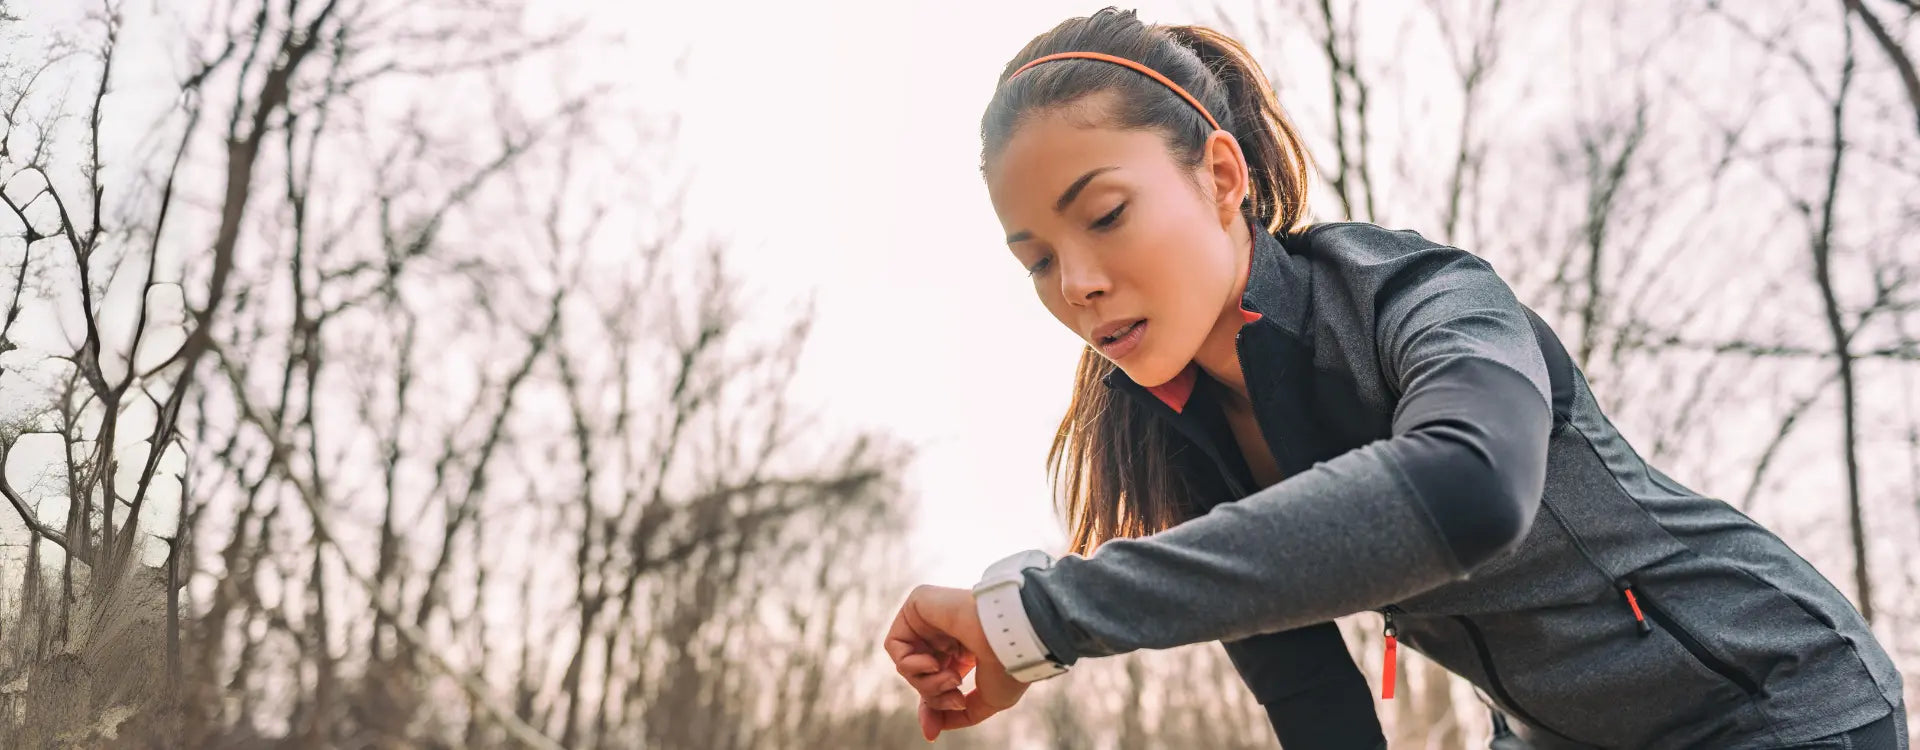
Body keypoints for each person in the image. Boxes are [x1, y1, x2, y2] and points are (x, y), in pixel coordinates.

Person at [881, 8, 1906, 750]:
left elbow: (1467, 492)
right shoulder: (1179, 437)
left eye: (1103, 215)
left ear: (1222, 177)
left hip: (1775, 699)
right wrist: (1018, 636)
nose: (1081, 285)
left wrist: (1036, 620)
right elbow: (1313, 704)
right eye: (1038, 260)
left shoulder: (1418, 298)